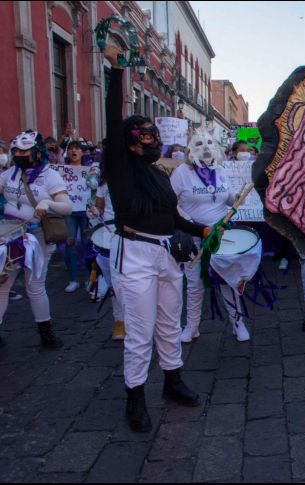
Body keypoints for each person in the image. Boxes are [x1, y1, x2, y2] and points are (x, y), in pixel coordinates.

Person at [103, 46, 214, 432]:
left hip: (168, 255)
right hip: (135, 255)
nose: (153, 141)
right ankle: (135, 396)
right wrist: (116, 70)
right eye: (146, 136)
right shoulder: (120, 167)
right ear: (131, 141)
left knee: (169, 323)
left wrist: (201, 230)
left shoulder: (158, 173)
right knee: (140, 330)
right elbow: (112, 124)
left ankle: (172, 380)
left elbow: (172, 216)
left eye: (155, 135)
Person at [171, 128, 251, 343]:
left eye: (209, 143)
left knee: (228, 280)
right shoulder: (181, 173)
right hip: (194, 236)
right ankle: (192, 326)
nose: (205, 148)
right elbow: (170, 203)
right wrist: (190, 223)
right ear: (190, 149)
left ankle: (238, 323)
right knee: (195, 284)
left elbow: (228, 197)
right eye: (199, 144)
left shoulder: (221, 170)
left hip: (221, 235)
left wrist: (237, 197)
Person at [0, 130, 73, 349]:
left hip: (37, 235)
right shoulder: (9, 174)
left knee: (35, 286)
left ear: (36, 152)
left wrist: (48, 203)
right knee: (3, 285)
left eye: (24, 151)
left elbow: (67, 207)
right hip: (10, 235)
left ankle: (46, 332)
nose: (19, 155)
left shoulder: (50, 176)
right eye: (16, 151)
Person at [90, 167, 125, 340]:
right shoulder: (104, 183)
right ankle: (120, 320)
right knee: (113, 280)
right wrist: (95, 212)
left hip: (133, 233)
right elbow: (100, 207)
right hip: (109, 233)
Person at [62, 139, 92, 293]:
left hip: (85, 212)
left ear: (82, 152)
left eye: (77, 148)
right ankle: (74, 279)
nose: (73, 151)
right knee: (70, 244)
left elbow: (95, 188)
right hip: (69, 212)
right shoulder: (61, 170)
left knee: (87, 244)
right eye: (71, 148)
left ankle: (89, 278)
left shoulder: (90, 170)